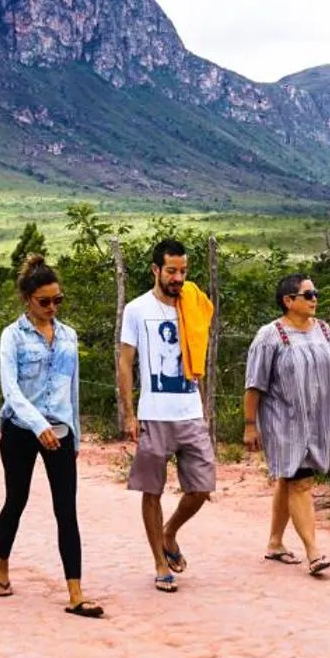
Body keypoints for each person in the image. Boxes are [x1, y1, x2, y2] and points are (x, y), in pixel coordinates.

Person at [0, 255, 101, 616]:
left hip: (60, 430)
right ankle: (2, 566)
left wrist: (75, 437)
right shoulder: (13, 336)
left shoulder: (68, 335)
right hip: (22, 429)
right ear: (27, 299)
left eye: (58, 300)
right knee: (16, 499)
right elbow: (11, 389)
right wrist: (37, 425)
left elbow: (72, 389)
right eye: (44, 301)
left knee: (66, 510)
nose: (52, 307)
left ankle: (76, 592)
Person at [118, 238, 217, 592]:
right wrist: (130, 413)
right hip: (154, 413)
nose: (178, 278)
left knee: (202, 487)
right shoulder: (137, 310)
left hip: (190, 410)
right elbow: (126, 363)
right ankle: (160, 564)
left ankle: (169, 532)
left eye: (184, 271)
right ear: (155, 270)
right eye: (172, 271)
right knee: (152, 489)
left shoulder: (192, 303)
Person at [243, 272, 330, 576]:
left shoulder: (324, 330)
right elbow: (254, 385)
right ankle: (314, 552)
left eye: (315, 294)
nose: (315, 299)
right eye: (308, 295)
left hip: (318, 421)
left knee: (288, 477)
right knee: (300, 481)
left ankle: (275, 543)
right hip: (285, 421)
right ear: (288, 301)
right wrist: (250, 424)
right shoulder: (270, 336)